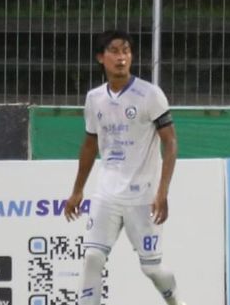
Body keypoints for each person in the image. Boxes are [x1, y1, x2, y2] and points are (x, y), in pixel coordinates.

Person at [64, 30, 186, 305]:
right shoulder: (94, 98)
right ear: (101, 57)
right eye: (115, 51)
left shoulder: (150, 95)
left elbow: (171, 143)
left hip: (142, 196)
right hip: (107, 192)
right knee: (93, 257)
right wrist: (77, 191)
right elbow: (89, 145)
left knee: (151, 268)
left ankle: (176, 300)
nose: (122, 58)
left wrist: (162, 192)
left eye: (126, 51)